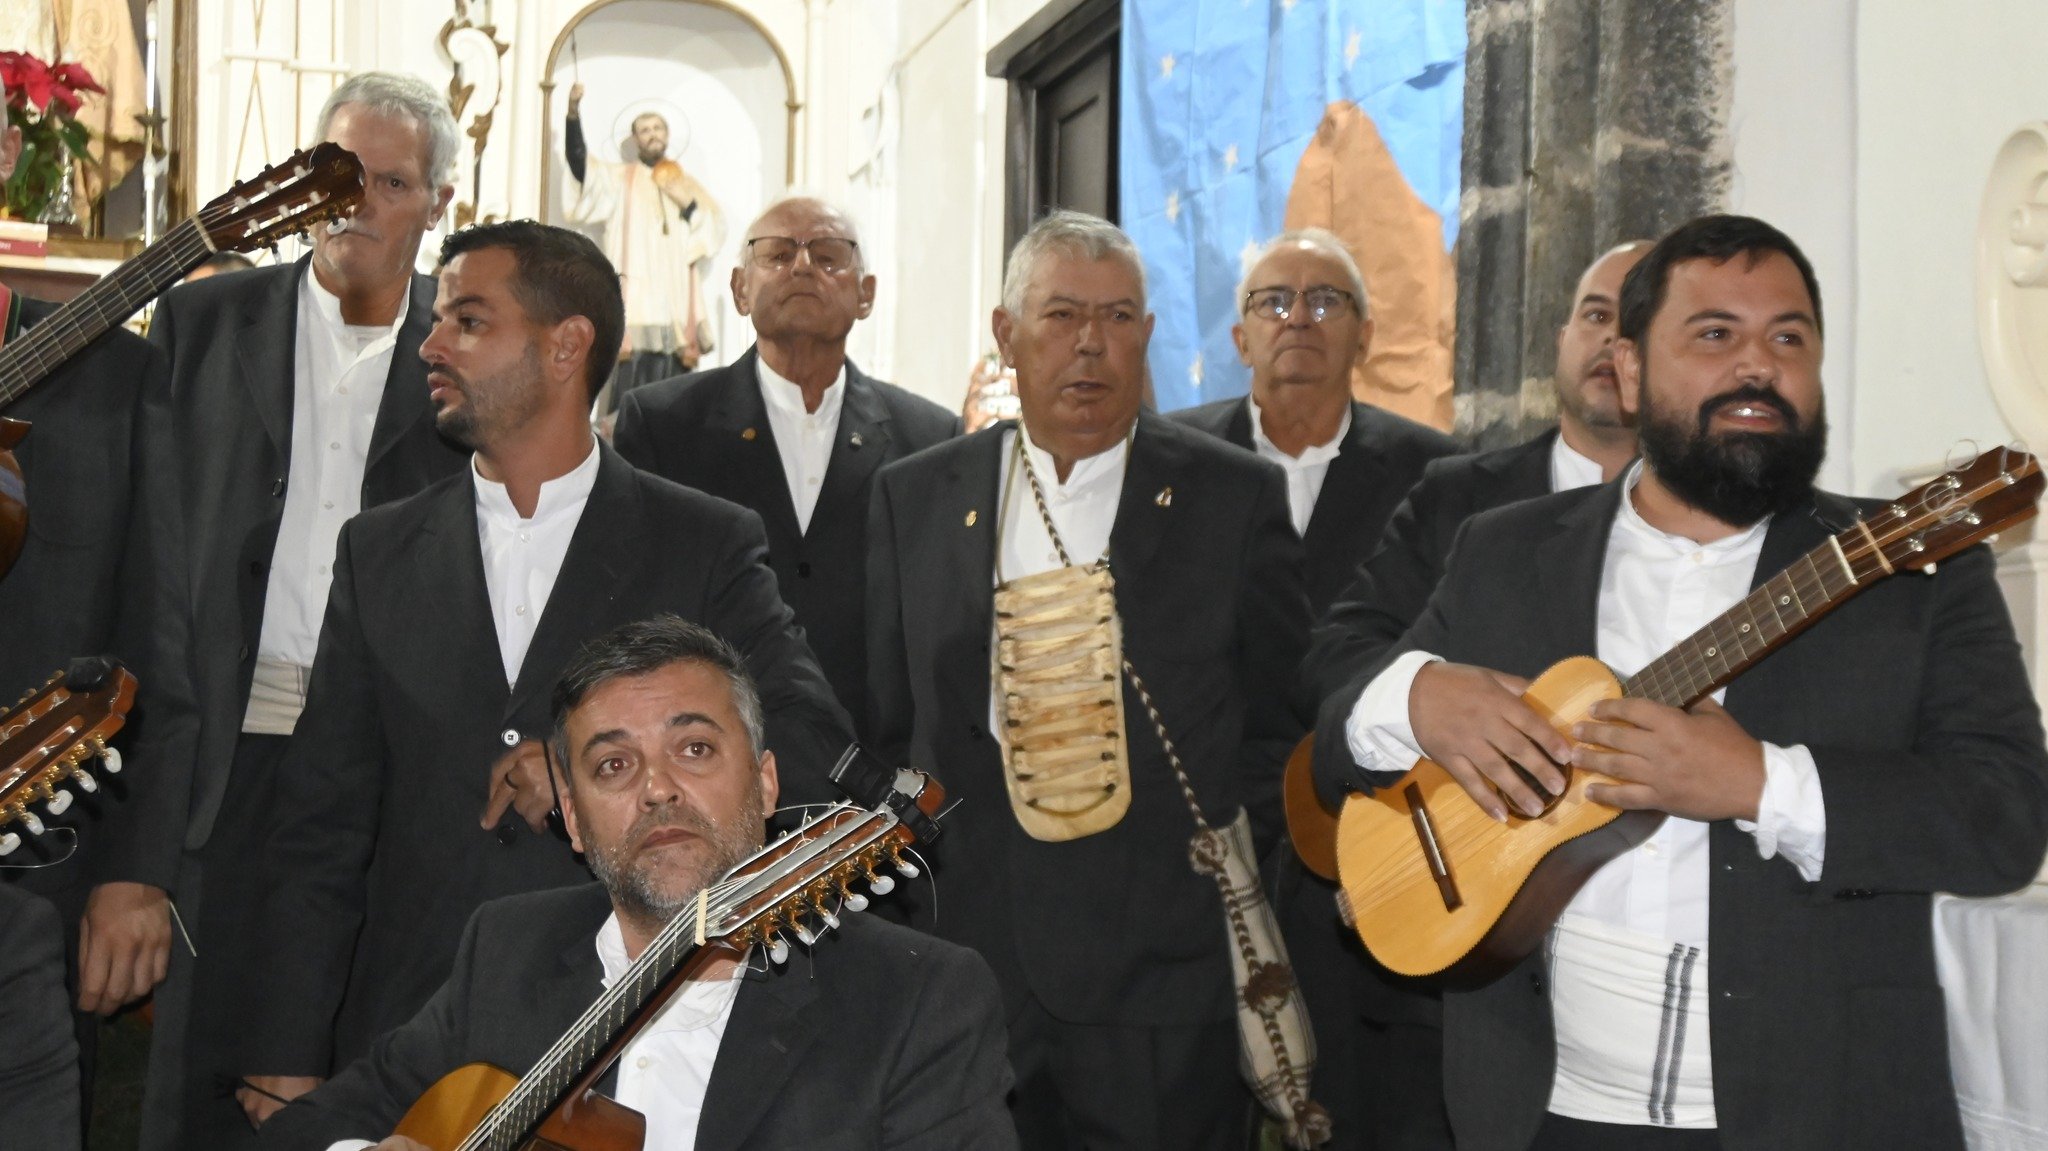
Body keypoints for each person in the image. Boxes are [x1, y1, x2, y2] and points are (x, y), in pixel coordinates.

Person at [1315, 215, 2048, 1151]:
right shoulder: (1503, 550)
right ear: (1626, 368)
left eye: (1789, 337)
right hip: (1539, 1112)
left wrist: (1762, 785)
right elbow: (1338, 742)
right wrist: (1413, 696)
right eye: (1715, 334)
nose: (1758, 364)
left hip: (1822, 1113)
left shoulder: (1913, 577)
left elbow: (2005, 820)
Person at [237, 220, 854, 1131]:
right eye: (437, 320)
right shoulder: (378, 551)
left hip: (634, 1033)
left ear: (567, 345)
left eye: (468, 321)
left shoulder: (703, 542)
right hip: (409, 1038)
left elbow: (806, 742)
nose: (431, 343)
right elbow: (318, 827)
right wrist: (286, 1057)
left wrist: (595, 760)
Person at [867, 209, 1310, 1148]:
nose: (1091, 345)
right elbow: (887, 720)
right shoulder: (918, 495)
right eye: (1063, 315)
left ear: (1147, 336)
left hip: (1161, 974)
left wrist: (1197, 863)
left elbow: (1282, 719)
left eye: (1118, 318)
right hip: (966, 959)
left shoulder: (1230, 496)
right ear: (1006, 334)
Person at [254, 615, 1014, 1151]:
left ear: (767, 784)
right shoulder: (508, 951)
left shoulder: (917, 1000)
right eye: (613, 765)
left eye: (694, 747)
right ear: (575, 821)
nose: (657, 788)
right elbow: (298, 1130)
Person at [107, 70, 471, 1150]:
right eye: (337, 172)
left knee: (358, 1068)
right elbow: (148, 569)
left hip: (383, 766)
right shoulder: (204, 320)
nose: (356, 200)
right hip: (223, 754)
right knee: (194, 1076)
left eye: (390, 180)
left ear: (439, 202)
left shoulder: (462, 353)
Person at [1173, 230, 1457, 1150]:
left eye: (1326, 300)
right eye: (1273, 300)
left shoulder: (1441, 476)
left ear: (1366, 335)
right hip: (1206, 818)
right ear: (1238, 335)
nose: (1299, 317)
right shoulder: (1169, 461)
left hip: (1372, 815)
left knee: (1356, 1084)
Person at [615, 197, 957, 736]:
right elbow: (636, 609)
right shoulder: (663, 425)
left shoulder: (930, 438)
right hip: (711, 750)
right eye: (776, 255)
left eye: (828, 256)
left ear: (865, 295)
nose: (802, 267)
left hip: (877, 761)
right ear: (739, 289)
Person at [1303, 240, 1652, 730]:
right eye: (1596, 316)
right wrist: (1422, 694)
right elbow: (1339, 650)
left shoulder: (1717, 518)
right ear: (1561, 339)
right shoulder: (1456, 495)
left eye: (1638, 320)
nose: (1614, 338)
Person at [562, 81, 726, 393]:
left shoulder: (685, 182)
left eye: (657, 128)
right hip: (637, 296)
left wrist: (687, 205)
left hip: (674, 299)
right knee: (631, 384)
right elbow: (580, 164)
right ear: (636, 140)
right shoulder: (619, 179)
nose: (652, 134)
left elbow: (712, 228)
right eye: (645, 130)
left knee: (675, 387)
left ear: (667, 136)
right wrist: (573, 115)